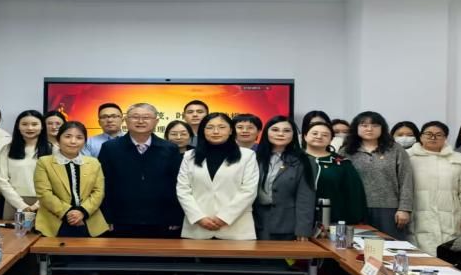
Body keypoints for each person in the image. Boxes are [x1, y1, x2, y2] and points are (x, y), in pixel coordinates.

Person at [99, 103, 184, 238]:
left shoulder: (169, 148)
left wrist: (176, 215)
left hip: (161, 219)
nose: (140, 121)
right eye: (135, 117)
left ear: (156, 121)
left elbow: (177, 184)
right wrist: (106, 216)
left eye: (146, 117)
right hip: (121, 219)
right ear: (126, 120)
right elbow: (103, 183)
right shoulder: (110, 148)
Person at [176, 112, 259, 240]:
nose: (215, 131)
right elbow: (183, 189)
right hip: (198, 228)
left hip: (236, 228)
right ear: (203, 131)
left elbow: (248, 191)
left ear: (231, 130)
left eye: (222, 127)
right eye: (209, 127)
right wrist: (199, 218)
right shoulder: (189, 156)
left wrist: (224, 218)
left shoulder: (247, 156)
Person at [408, 121, 461, 254]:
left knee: (446, 254)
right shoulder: (408, 157)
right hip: (417, 214)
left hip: (449, 216)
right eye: (428, 134)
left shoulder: (458, 160)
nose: (433, 137)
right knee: (418, 253)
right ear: (421, 136)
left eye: (438, 135)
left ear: (446, 138)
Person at [343, 111, 414, 238]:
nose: (369, 129)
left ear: (382, 128)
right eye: (364, 125)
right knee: (357, 246)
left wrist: (404, 209)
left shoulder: (395, 150)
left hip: (389, 210)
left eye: (375, 125)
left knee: (390, 245)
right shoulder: (346, 152)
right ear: (356, 128)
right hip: (355, 208)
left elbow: (406, 180)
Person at [34, 121, 107, 237]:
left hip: (88, 220)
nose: (73, 141)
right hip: (54, 221)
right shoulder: (44, 162)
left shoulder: (94, 163)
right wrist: (68, 214)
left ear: (84, 141)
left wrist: (82, 212)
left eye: (79, 137)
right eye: (68, 136)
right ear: (58, 139)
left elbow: (98, 192)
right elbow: (44, 193)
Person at [253, 116, 316, 240]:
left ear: (293, 134)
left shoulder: (304, 161)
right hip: (255, 223)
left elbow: (306, 198)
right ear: (266, 133)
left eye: (286, 130)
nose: (280, 134)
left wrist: (303, 230)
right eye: (275, 130)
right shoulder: (254, 158)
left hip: (287, 225)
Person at [303, 122, 367, 226]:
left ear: (331, 139)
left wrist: (354, 219)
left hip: (333, 220)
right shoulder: (293, 160)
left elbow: (354, 194)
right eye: (314, 133)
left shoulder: (342, 163)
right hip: (297, 218)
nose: (319, 137)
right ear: (305, 136)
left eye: (325, 135)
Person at [0, 110, 49, 219]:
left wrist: (37, 205)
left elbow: (57, 182)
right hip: (14, 202)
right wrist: (22, 206)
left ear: (42, 127)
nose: (29, 128)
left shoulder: (53, 150)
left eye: (34, 124)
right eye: (24, 124)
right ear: (18, 126)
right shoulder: (7, 150)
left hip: (46, 202)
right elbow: (2, 180)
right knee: (13, 230)